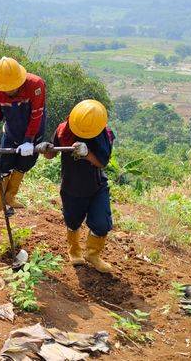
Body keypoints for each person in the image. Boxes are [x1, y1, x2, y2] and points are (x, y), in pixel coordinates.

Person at [40, 99, 115, 273]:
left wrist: (87, 154)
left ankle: (93, 254)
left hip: (96, 186)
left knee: (102, 223)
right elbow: (51, 154)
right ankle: (74, 251)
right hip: (71, 186)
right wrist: (46, 148)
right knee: (73, 222)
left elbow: (102, 162)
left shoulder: (104, 134)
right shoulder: (63, 130)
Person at [0, 57, 47, 218]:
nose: (8, 91)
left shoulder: (36, 85)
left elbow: (36, 115)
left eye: (12, 87)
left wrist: (28, 140)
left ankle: (10, 196)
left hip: (34, 133)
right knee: (4, 165)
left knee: (24, 164)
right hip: (12, 131)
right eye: (5, 88)